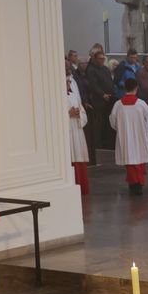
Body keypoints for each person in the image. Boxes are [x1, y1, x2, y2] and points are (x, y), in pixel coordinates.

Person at [108, 78, 148, 196]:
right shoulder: (141, 103)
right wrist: (145, 129)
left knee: (130, 161)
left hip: (125, 137)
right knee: (138, 161)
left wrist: (121, 130)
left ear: (124, 89)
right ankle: (138, 184)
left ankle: (134, 184)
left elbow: (112, 121)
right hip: (139, 137)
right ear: (136, 88)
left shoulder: (118, 104)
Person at [86, 48, 116, 162]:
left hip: (109, 101)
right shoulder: (91, 69)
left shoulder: (105, 69)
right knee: (98, 126)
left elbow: (110, 81)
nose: (102, 60)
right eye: (100, 59)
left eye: (103, 58)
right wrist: (103, 94)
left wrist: (112, 93)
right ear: (94, 59)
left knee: (107, 125)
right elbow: (93, 85)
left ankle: (107, 147)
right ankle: (97, 150)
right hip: (98, 102)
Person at [65, 63, 89, 196]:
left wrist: (79, 114)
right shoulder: (57, 98)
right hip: (68, 132)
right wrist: (68, 114)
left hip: (77, 131)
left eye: (69, 81)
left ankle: (82, 188)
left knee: (78, 157)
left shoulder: (74, 96)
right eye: (67, 81)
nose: (70, 83)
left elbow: (83, 113)